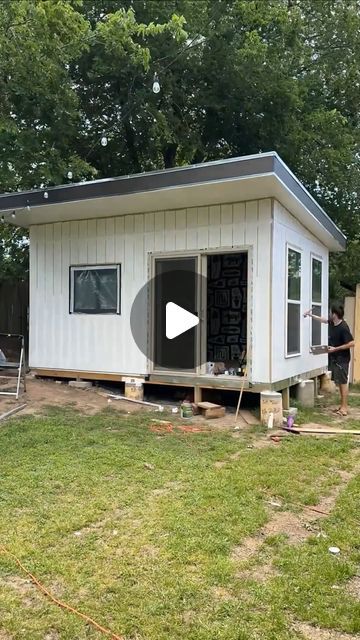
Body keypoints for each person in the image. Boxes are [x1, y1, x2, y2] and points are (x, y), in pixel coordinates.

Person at [304, 304, 355, 416]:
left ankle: (344, 408)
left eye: (331, 312)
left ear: (335, 314)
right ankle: (342, 406)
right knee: (340, 383)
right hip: (336, 358)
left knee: (343, 383)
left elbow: (352, 343)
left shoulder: (343, 327)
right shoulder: (333, 322)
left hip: (342, 359)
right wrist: (310, 315)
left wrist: (335, 349)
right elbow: (323, 320)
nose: (329, 314)